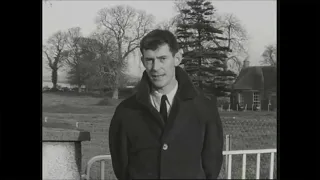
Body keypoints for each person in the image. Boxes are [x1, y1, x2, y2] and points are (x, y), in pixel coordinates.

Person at [109, 29, 223, 179]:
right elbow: (121, 167)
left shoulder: (204, 109)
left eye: (163, 58)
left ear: (177, 58)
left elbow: (211, 166)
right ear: (143, 61)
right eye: (150, 60)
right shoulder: (126, 112)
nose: (155, 68)